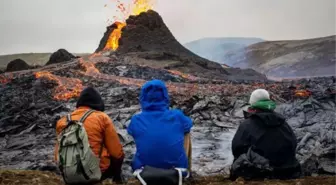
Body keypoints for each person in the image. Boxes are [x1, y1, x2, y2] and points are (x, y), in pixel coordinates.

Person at [54, 87, 124, 183]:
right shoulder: (102, 117)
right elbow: (116, 153)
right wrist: (118, 173)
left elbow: (57, 154)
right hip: (96, 173)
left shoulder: (63, 121)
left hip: (68, 173)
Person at [127, 80, 193, 184]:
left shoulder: (136, 119)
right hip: (176, 169)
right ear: (165, 96)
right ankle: (186, 172)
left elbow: (131, 132)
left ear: (143, 98)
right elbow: (189, 124)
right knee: (186, 132)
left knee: (142, 137)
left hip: (143, 169)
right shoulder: (177, 115)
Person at [230, 89, 301, 180]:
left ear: (252, 104)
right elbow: (293, 143)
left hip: (264, 173)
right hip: (290, 171)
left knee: (239, 161)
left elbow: (237, 149)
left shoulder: (247, 124)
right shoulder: (283, 123)